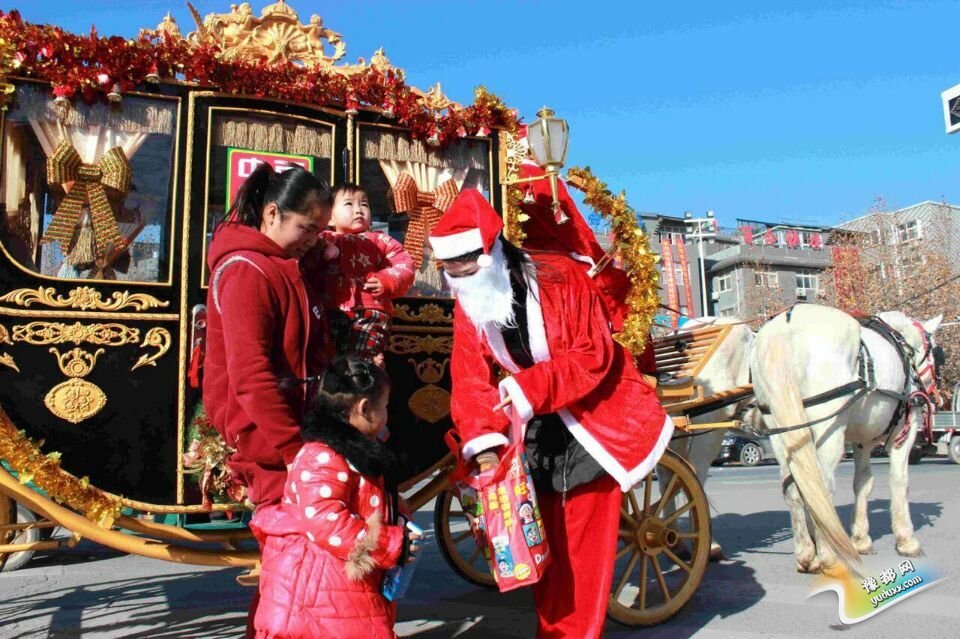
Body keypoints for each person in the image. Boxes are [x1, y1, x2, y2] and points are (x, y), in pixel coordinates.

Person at [428, 189, 674, 638]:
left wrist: (526, 388)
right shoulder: (470, 297)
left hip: (597, 416)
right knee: (540, 545)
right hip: (536, 424)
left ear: (489, 255)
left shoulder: (561, 276)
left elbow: (592, 354)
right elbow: (469, 376)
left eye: (464, 270)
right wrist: (484, 440)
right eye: (450, 272)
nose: (458, 281)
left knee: (583, 550)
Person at [201, 163, 332, 635]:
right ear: (272, 213)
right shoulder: (246, 270)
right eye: (307, 228)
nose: (312, 240)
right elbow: (251, 377)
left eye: (319, 231)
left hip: (293, 434)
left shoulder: (282, 265)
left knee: (296, 570)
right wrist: (295, 451)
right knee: (290, 569)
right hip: (271, 441)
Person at [251, 356, 422, 639]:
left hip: (338, 588)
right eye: (384, 406)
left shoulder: (353, 453)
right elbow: (325, 520)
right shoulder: (322, 456)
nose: (387, 415)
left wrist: (400, 520)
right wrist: (390, 543)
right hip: (318, 591)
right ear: (364, 409)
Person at [321, 183, 414, 365]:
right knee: (329, 360)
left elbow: (405, 265)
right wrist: (321, 252)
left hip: (371, 312)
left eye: (364, 204)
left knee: (360, 361)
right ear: (329, 217)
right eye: (349, 204)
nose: (358, 210)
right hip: (330, 310)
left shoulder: (381, 240)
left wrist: (386, 280)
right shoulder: (324, 240)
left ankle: (369, 366)